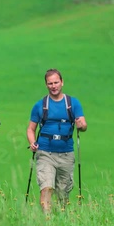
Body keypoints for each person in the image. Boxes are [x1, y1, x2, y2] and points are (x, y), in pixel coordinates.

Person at [27, 69, 87, 213]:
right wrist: (32, 142)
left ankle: (61, 219)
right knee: (46, 187)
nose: (53, 86)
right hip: (45, 152)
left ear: (62, 82)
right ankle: (46, 221)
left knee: (63, 193)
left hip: (66, 153)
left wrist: (81, 125)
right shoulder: (40, 105)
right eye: (50, 83)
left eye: (56, 82)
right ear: (46, 85)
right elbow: (30, 129)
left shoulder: (72, 103)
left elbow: (83, 125)